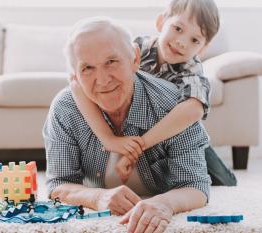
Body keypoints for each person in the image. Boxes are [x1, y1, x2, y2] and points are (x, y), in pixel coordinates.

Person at [43, 17, 211, 233]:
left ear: (135, 58)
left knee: (217, 175)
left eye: (111, 62)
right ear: (74, 76)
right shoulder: (65, 109)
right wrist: (97, 197)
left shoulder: (175, 108)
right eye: (87, 68)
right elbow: (58, 185)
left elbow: (195, 186)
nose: (102, 80)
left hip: (189, 144)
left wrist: (164, 203)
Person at [70, 0, 237, 186]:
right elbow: (75, 84)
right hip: (138, 126)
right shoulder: (137, 48)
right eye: (178, 29)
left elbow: (194, 110)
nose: (181, 42)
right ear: (161, 22)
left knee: (224, 181)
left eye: (194, 40)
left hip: (177, 135)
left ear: (203, 48)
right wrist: (108, 139)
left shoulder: (191, 70)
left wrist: (141, 145)